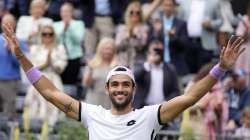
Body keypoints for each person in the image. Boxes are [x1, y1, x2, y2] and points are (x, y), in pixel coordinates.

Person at [2, 22, 245, 140]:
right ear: (107, 88)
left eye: (125, 84)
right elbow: (51, 94)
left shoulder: (149, 116)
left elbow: (190, 97)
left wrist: (220, 68)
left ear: (133, 88)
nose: (120, 88)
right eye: (115, 84)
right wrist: (22, 56)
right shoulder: (93, 114)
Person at [0, 13, 26, 120]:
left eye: (9, 22)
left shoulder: (20, 42)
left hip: (10, 81)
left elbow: (22, 63)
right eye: (5, 22)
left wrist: (10, 50)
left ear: (14, 25)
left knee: (9, 113)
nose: (7, 25)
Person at [83, 37, 117, 109]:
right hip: (94, 99)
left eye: (111, 49)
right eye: (106, 49)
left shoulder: (117, 66)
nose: (108, 51)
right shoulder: (93, 64)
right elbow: (86, 84)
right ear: (100, 49)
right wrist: (91, 70)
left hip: (110, 101)